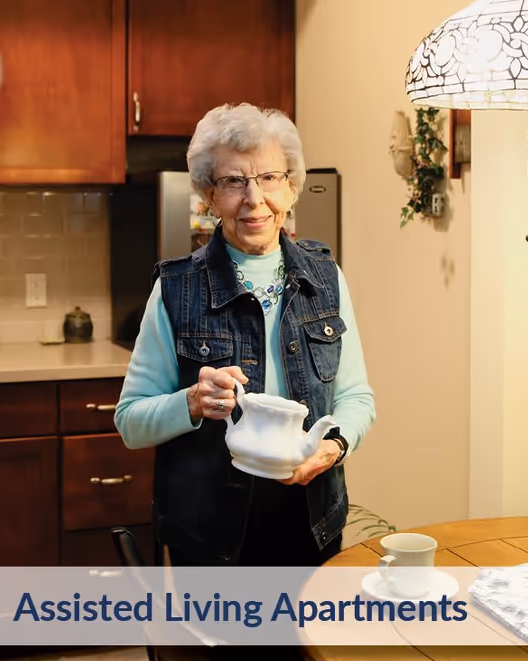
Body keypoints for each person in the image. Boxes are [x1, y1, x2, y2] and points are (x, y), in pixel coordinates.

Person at [115, 103, 375, 571]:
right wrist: (192, 401)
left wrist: (331, 447)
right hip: (211, 536)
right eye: (234, 181)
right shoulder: (176, 289)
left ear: (292, 187)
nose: (254, 198)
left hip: (311, 523)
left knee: (310, 645)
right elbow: (131, 421)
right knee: (231, 646)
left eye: (270, 178)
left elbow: (356, 397)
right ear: (209, 196)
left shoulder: (326, 278)